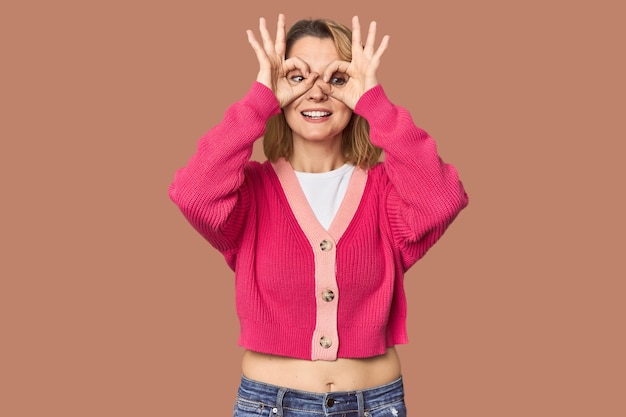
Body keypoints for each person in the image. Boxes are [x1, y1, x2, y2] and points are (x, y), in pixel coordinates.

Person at [169, 13, 468, 417]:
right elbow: (192, 192)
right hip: (269, 405)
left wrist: (376, 105)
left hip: (374, 406)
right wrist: (260, 99)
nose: (317, 92)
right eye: (298, 77)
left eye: (338, 79)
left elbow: (443, 199)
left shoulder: (386, 192)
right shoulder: (250, 194)